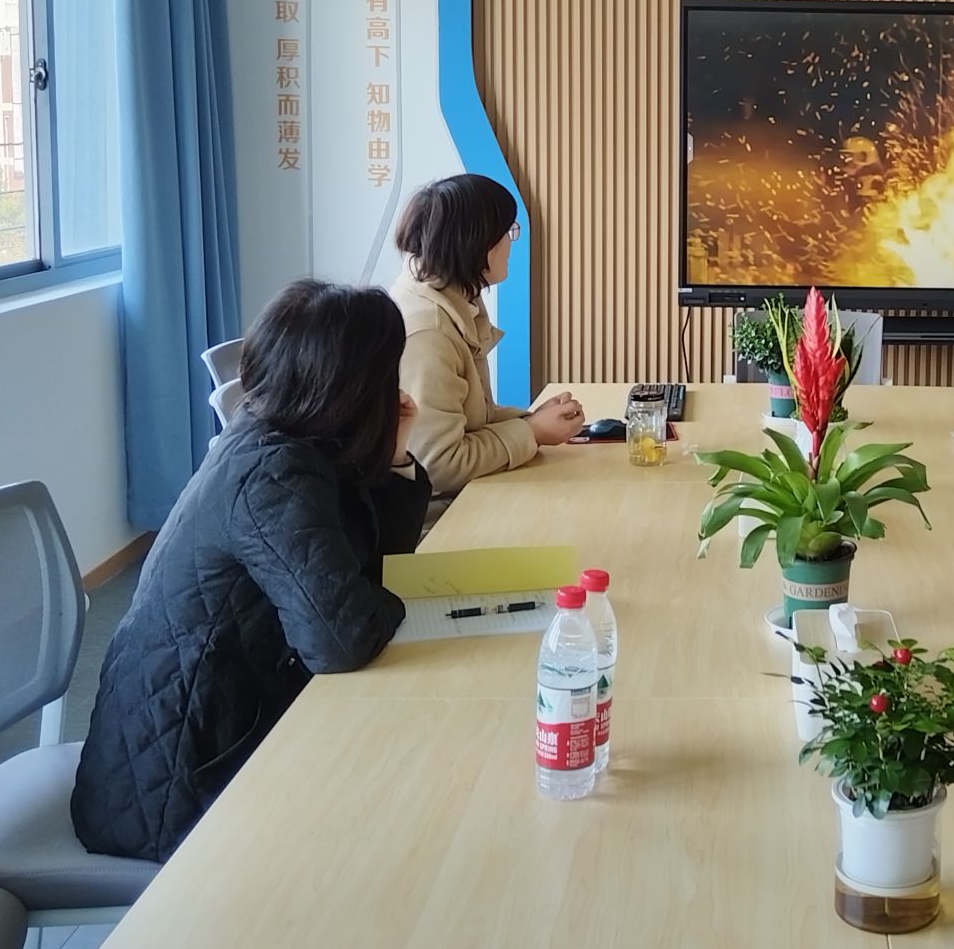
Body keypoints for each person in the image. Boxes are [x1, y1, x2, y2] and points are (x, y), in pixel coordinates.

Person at [73, 281, 428, 862]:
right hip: (176, 786)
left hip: (216, 729)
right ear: (356, 388)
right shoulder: (273, 474)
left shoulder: (294, 440)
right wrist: (382, 601)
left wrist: (393, 457)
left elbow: (375, 568)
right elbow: (342, 640)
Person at [390, 174, 583, 507]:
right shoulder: (428, 332)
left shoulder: (453, 296)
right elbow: (438, 466)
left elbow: (469, 420)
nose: (511, 242)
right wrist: (533, 433)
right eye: (507, 232)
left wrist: (531, 419)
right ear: (478, 243)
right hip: (437, 520)